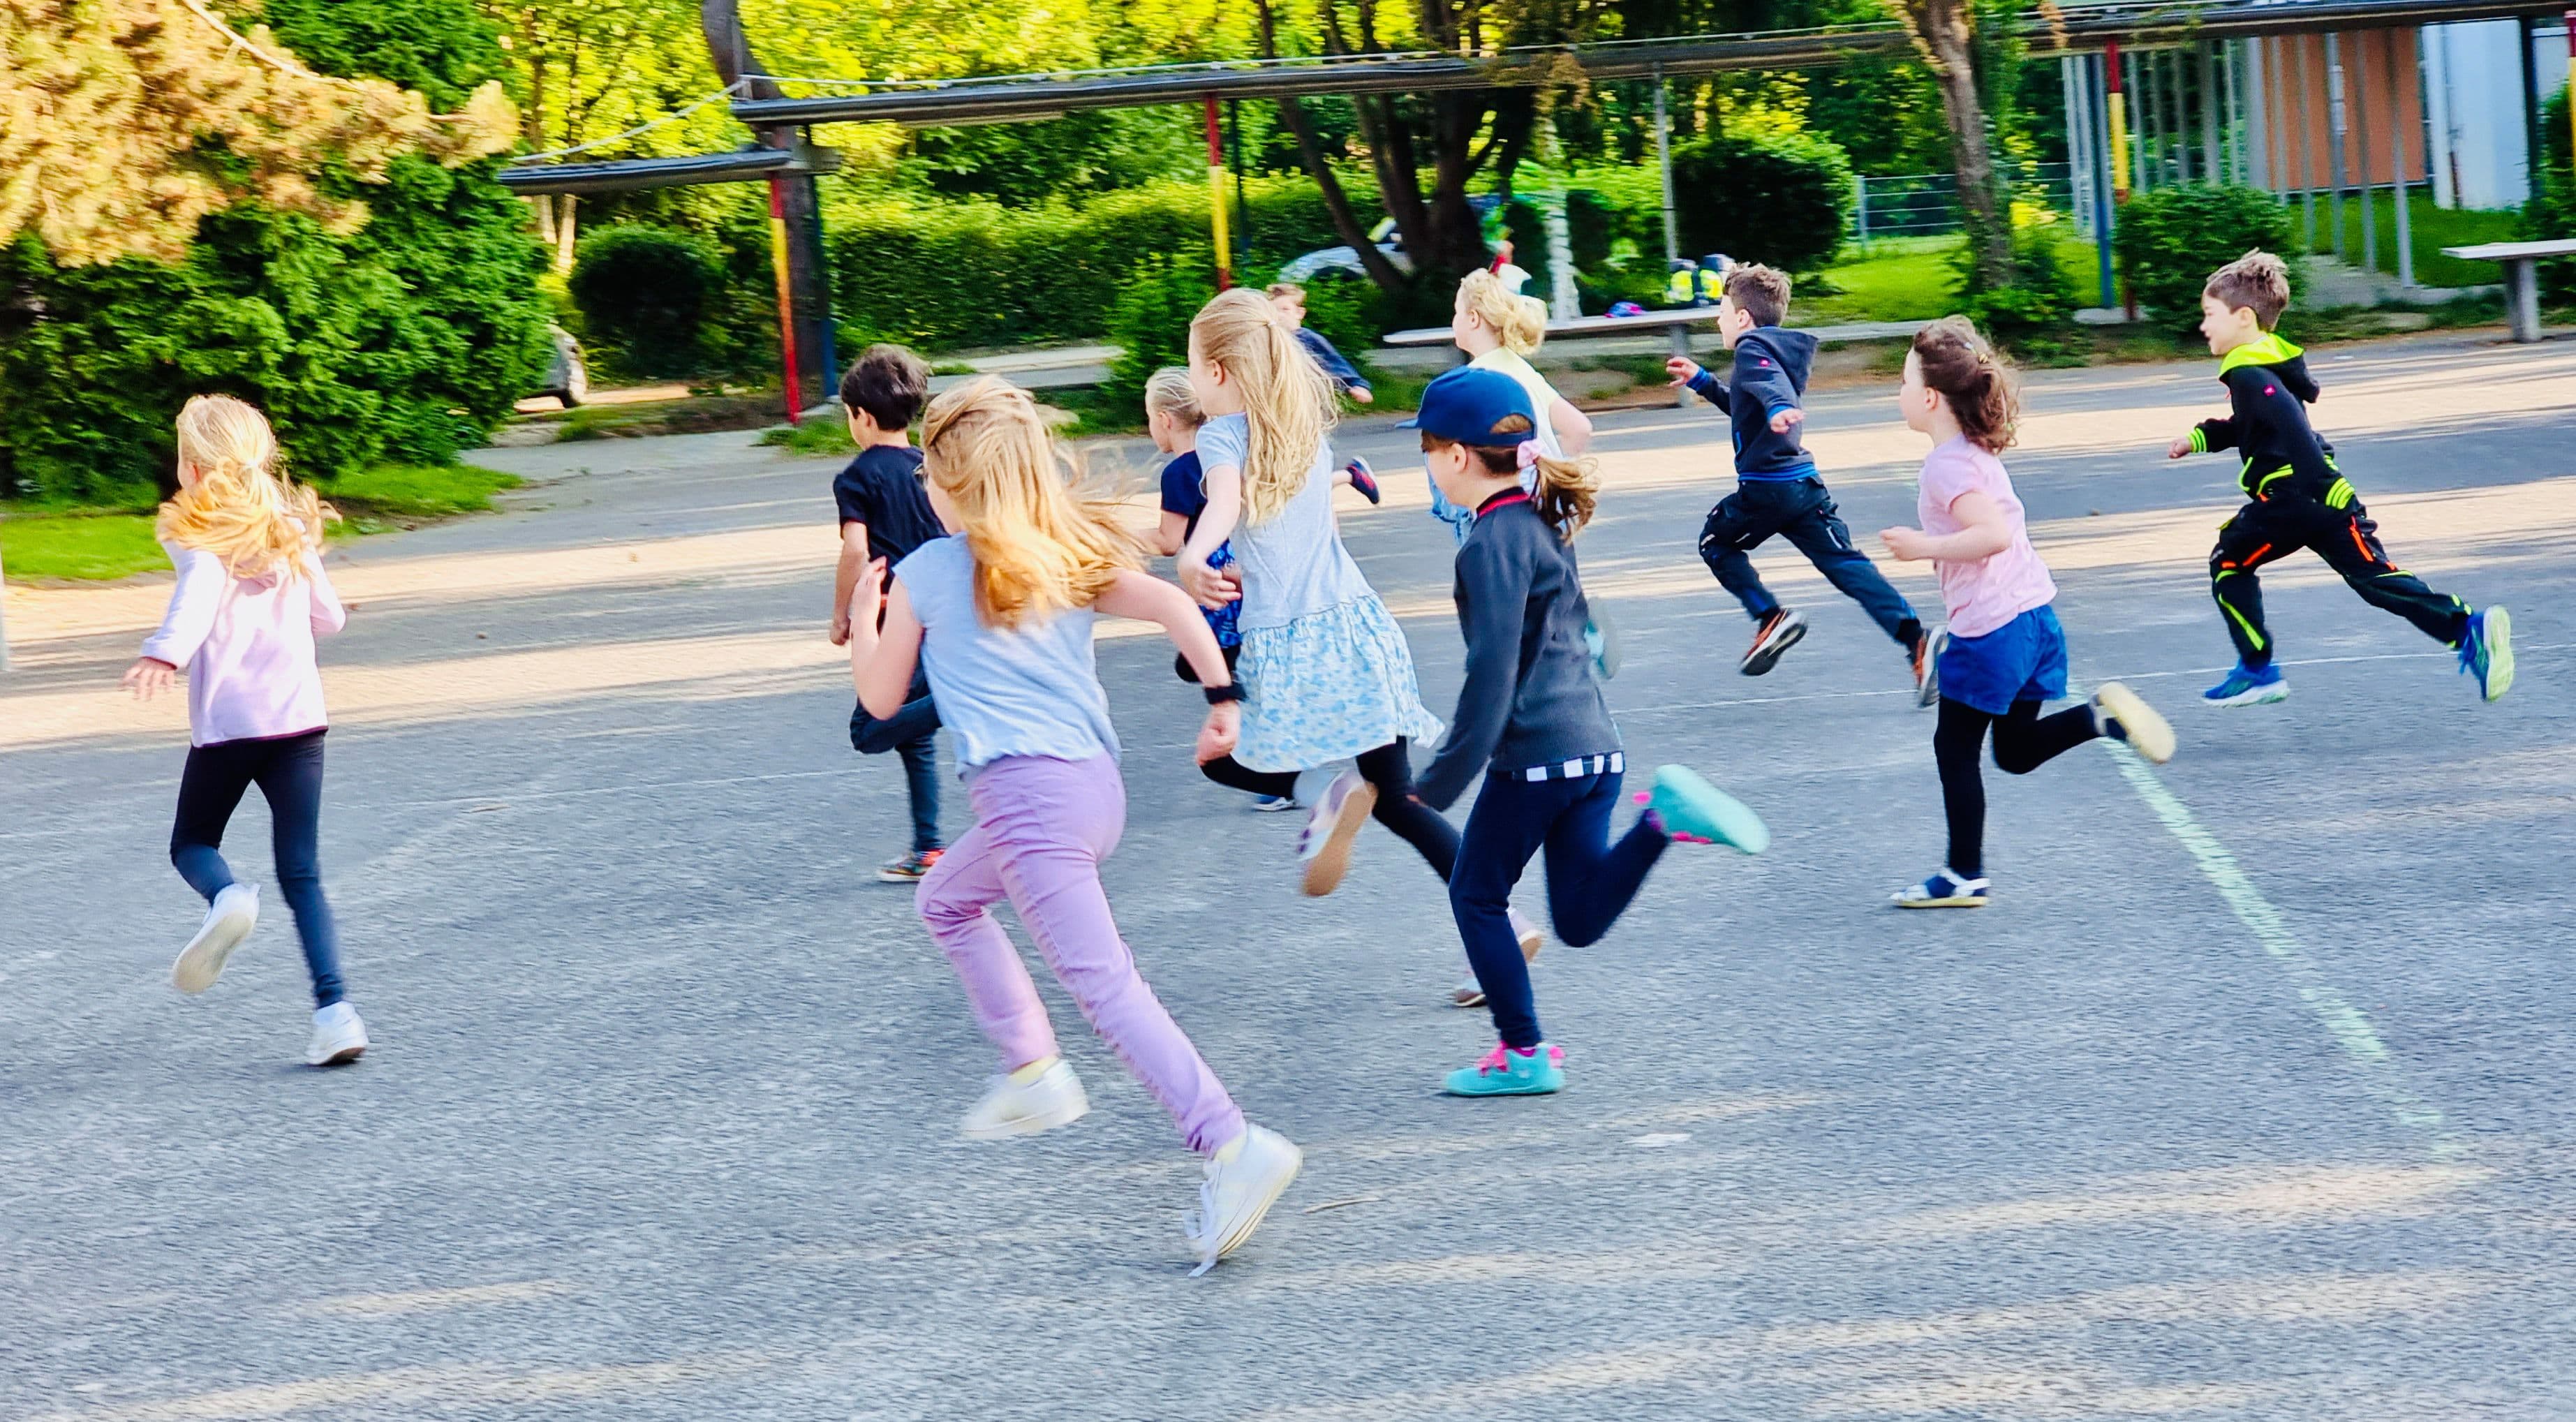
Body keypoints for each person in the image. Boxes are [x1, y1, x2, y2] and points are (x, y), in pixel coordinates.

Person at [846, 375, 1301, 1274]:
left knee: (1106, 989)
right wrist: (1222, 698)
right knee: (944, 900)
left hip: (1025, 804)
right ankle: (1032, 1069)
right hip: (1091, 791)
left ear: (940, 487)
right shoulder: (1064, 551)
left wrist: (868, 618)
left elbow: (878, 696)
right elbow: (1176, 604)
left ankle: (1228, 1140)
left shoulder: (931, 573)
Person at [1410, 367, 1769, 1096]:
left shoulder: (1489, 544)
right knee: (1575, 917)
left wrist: (1437, 784)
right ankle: (1662, 822)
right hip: (1594, 749)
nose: (1424, 462)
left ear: (1455, 456)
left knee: (1476, 895)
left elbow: (1493, 674)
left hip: (1538, 758)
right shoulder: (1538, 521)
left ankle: (1523, 1055)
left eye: (1425, 448)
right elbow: (1576, 629)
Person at [1178, 290, 1540, 951]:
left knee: (1219, 756)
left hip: (1287, 637)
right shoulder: (1304, 434)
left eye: (1194, 366)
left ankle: (1323, 790)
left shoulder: (1221, 434)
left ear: (1220, 372)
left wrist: (1193, 556)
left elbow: (1226, 502)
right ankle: (1504, 924)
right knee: (1399, 797)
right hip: (1357, 624)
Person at [1877, 318, 2176, 908]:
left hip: (1992, 632)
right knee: (2012, 751)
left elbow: (1989, 535)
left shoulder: (1945, 466)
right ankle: (2098, 720)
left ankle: (1964, 874)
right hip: (2036, 620)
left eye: (1904, 381)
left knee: (1953, 749)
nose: (1899, 393)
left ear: (1932, 397)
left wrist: (1923, 546)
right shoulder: (1973, 452)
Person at [119, 394, 366, 1067]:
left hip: (230, 727)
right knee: (303, 874)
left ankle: (227, 896)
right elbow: (331, 618)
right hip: (298, 722)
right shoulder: (289, 526)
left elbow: (196, 601)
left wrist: (164, 652)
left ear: (194, 467)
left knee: (193, 842)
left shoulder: (192, 532)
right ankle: (336, 1012)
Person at [2168, 250, 2510, 706]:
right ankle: (2468, 627)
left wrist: (2319, 482)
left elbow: (2288, 419)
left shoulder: (2249, 372)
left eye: (2210, 314)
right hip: (2321, 495)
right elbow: (2259, 423)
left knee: (2229, 561)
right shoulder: (2267, 366)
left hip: (2294, 494)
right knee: (2374, 579)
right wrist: (2203, 436)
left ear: (2245, 317)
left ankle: (2258, 669)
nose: (2204, 326)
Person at [1667, 264, 1933, 699]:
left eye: (1722, 310)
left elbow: (1769, 388)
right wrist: (1704, 382)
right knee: (1846, 565)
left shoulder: (1752, 349)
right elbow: (1746, 401)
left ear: (1743, 318)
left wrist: (1777, 408)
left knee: (1715, 543)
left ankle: (1769, 616)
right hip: (1803, 486)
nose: (1717, 319)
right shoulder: (1772, 349)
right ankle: (1917, 641)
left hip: (1765, 489)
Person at [1146, 367, 1293, 813]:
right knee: (1229, 664)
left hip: (1214, 583)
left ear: (1167, 419)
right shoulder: (1227, 453)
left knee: (1212, 666)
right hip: (1248, 569)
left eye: (1149, 414)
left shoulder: (1178, 473)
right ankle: (1283, 761)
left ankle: (1283, 775)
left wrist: (1107, 535)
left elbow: (1170, 541)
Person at [829, 344, 951, 882]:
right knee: (912, 734)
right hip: (943, 607)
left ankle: (960, 696)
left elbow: (856, 550)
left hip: (894, 615)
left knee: (870, 726)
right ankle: (928, 846)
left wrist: (842, 614)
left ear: (862, 416)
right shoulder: (932, 468)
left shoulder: (857, 477)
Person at [1428, 268, 1595, 547]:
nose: (1453, 321)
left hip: (1503, 511)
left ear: (1473, 319)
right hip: (1547, 502)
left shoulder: (1474, 379)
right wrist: (1551, 469)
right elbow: (1579, 428)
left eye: (1457, 313)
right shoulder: (1522, 368)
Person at [1265, 281, 1375, 407]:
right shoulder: (1267, 339)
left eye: (1285, 309)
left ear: (1300, 313)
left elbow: (1334, 362)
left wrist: (1357, 385)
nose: (1279, 315)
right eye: (1274, 310)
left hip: (1309, 400)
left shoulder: (1308, 338)